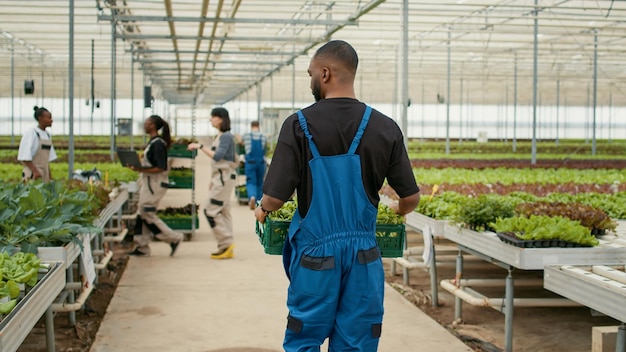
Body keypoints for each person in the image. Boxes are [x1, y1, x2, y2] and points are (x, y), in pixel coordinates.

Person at [255, 40, 420, 351]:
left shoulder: (297, 125)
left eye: (311, 74)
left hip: (316, 256)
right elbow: (410, 199)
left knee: (304, 335)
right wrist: (396, 212)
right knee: (358, 340)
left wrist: (262, 209)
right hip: (365, 257)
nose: (311, 81)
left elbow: (275, 199)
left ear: (326, 73)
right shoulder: (386, 127)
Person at [127, 114, 183, 257]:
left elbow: (161, 167)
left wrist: (140, 169)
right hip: (149, 184)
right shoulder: (153, 142)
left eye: (147, 122)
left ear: (153, 126)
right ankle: (142, 247)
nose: (145, 124)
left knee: (147, 213)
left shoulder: (158, 144)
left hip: (155, 185)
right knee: (141, 214)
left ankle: (174, 238)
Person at [187, 107, 238, 260]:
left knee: (210, 211)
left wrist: (200, 147)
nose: (211, 119)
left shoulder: (226, 137)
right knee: (223, 211)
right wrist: (212, 179)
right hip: (221, 178)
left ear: (221, 119)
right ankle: (226, 246)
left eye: (213, 117)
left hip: (223, 178)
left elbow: (218, 156)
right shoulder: (222, 136)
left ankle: (226, 243)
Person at [17, 106, 57, 182]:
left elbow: (46, 160)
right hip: (32, 174)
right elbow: (24, 157)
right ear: (40, 118)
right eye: (48, 118)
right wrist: (35, 171)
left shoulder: (47, 135)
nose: (51, 120)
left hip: (44, 173)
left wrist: (49, 175)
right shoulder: (31, 133)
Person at [242, 120, 268, 210]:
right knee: (260, 181)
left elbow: (242, 144)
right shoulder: (264, 136)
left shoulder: (246, 136)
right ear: (259, 126)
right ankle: (259, 202)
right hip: (261, 163)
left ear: (251, 126)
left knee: (251, 181)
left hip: (250, 163)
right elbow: (265, 148)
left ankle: (252, 197)